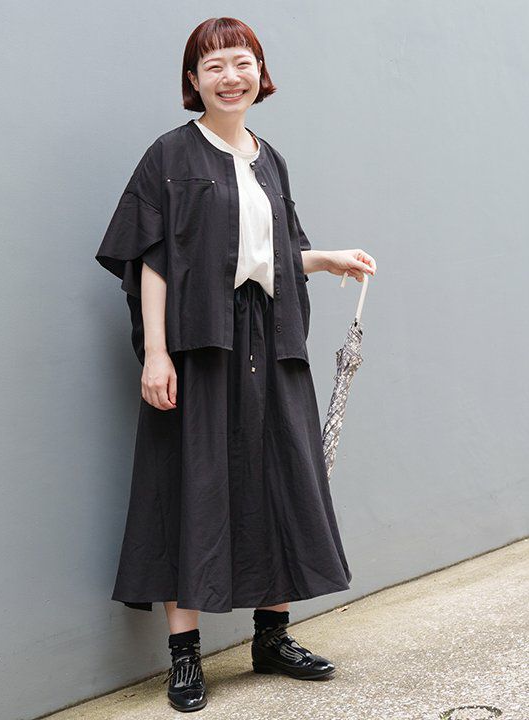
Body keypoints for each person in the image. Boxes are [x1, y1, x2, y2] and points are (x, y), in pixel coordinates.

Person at [96, 16, 377, 713]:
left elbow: (272, 255)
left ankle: (271, 638)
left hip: (270, 339)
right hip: (199, 342)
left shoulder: (269, 158)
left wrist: (327, 258)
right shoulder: (169, 155)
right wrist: (156, 353)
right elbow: (153, 260)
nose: (230, 76)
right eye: (214, 65)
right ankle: (186, 657)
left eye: (242, 62)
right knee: (187, 482)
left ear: (260, 73)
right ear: (193, 80)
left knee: (278, 475)